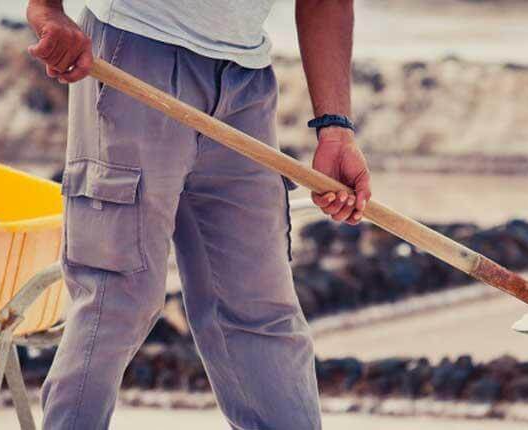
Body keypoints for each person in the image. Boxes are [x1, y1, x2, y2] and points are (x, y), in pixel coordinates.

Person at [25, 0, 371, 428]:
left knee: (259, 307)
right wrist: (46, 9)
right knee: (116, 298)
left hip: (245, 80)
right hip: (136, 50)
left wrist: (335, 129)